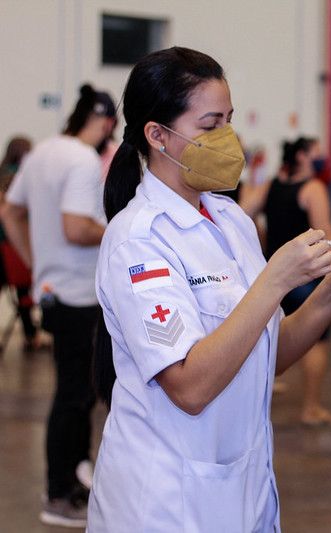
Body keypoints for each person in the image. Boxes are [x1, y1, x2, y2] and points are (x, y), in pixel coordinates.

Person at [87, 47, 331, 532]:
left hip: (245, 488)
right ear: (158, 135)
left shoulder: (228, 218)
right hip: (166, 500)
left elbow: (268, 353)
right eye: (209, 124)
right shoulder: (138, 239)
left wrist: (328, 293)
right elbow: (190, 387)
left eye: (229, 121)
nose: (227, 139)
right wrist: (277, 278)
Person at [0, 84, 115, 527]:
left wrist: (35, 264)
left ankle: (73, 475)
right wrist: (123, 230)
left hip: (53, 289)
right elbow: (75, 228)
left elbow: (9, 212)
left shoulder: (42, 152)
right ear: (105, 123)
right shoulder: (84, 159)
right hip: (79, 293)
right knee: (74, 393)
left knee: (77, 390)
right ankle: (58, 492)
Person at [262, 137, 331, 425]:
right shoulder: (313, 188)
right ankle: (311, 408)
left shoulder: (271, 185)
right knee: (317, 343)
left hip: (274, 275)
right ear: (304, 156)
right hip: (305, 278)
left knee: (267, 339)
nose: (322, 158)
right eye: (317, 152)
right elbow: (326, 232)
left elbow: (245, 212)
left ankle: (263, 392)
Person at [0, 135, 43, 351]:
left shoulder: (2, 173)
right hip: (12, 244)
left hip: (3, 245)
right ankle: (31, 335)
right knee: (24, 288)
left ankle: (30, 334)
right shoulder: (21, 177)